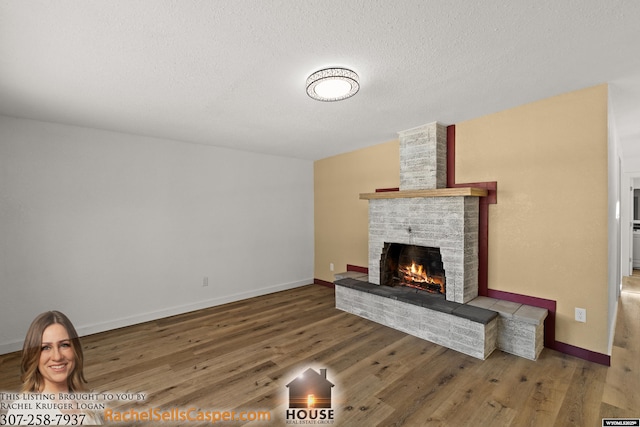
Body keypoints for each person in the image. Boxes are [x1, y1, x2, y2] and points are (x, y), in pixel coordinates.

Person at [5, 311, 102, 425]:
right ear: (33, 355)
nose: (57, 356)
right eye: (46, 347)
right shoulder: (22, 412)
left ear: (75, 350)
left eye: (64, 345)